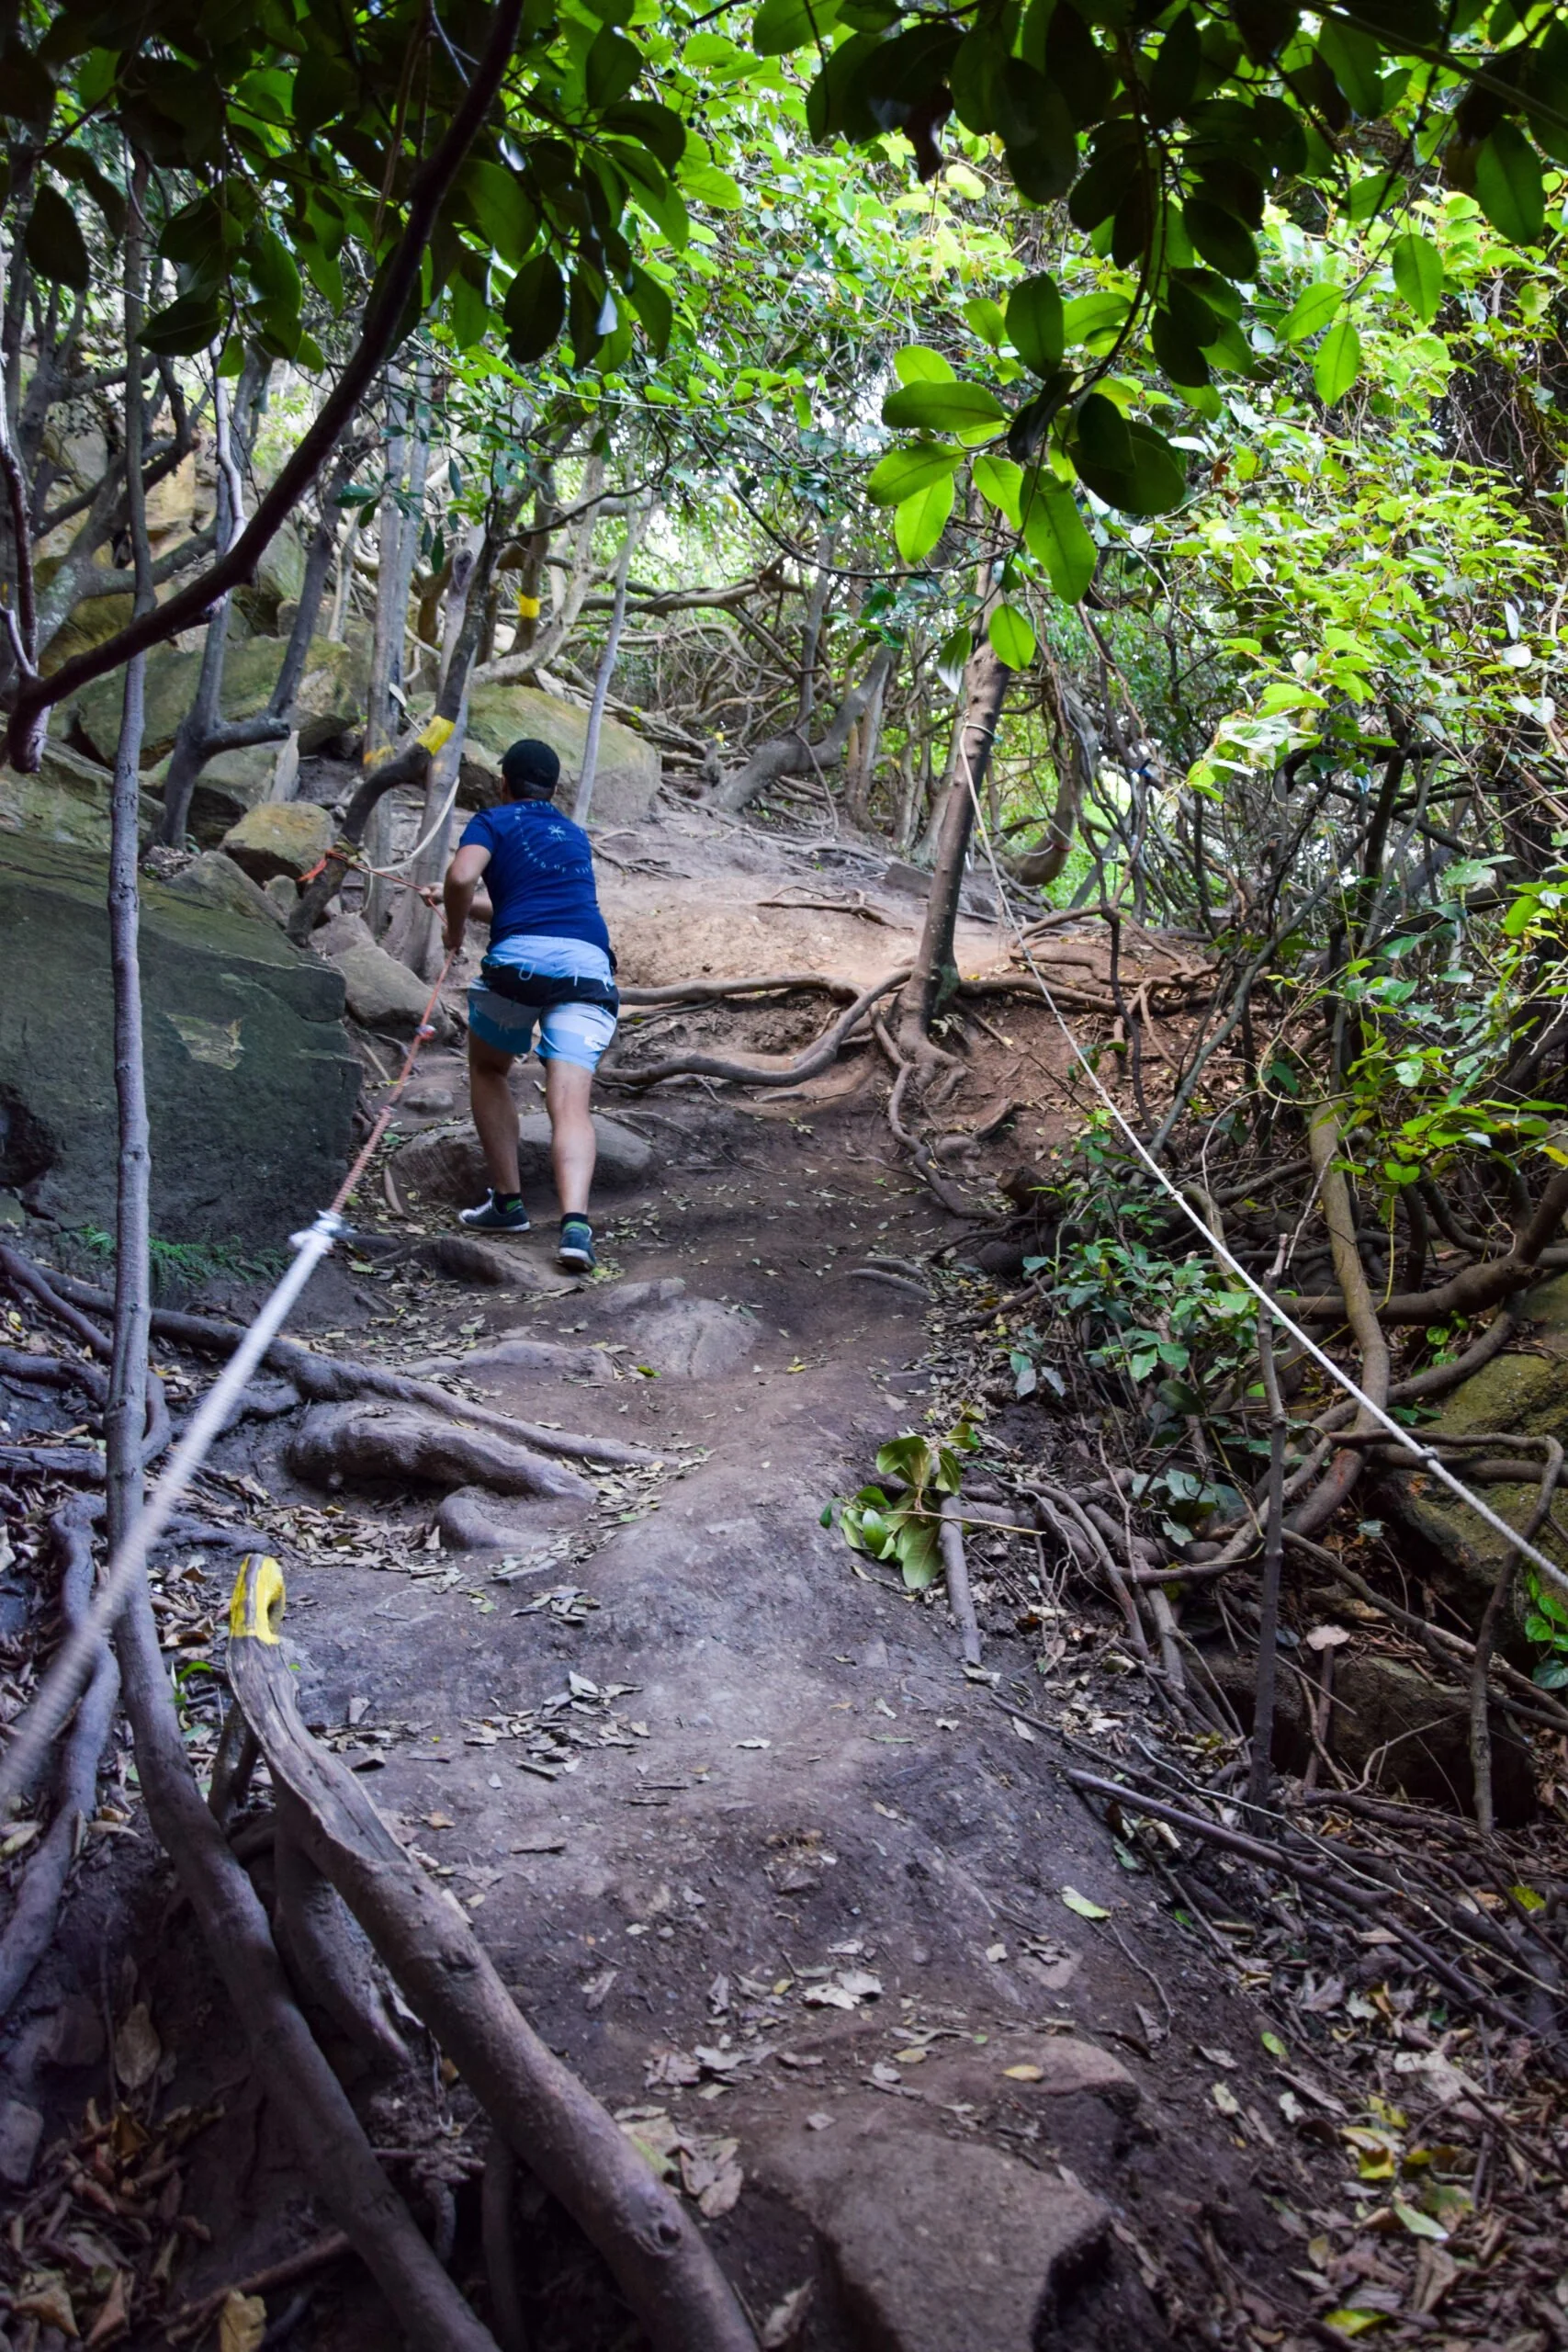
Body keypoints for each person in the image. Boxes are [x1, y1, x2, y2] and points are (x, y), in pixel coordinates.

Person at [441, 737, 617, 1272]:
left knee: (489, 1067)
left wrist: (452, 928)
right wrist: (467, 905)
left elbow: (461, 876)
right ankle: (576, 1230)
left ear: (504, 783)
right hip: (588, 969)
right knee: (570, 1105)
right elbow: (532, 908)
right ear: (554, 788)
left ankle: (509, 1203)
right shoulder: (574, 835)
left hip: (516, 972)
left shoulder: (492, 821)